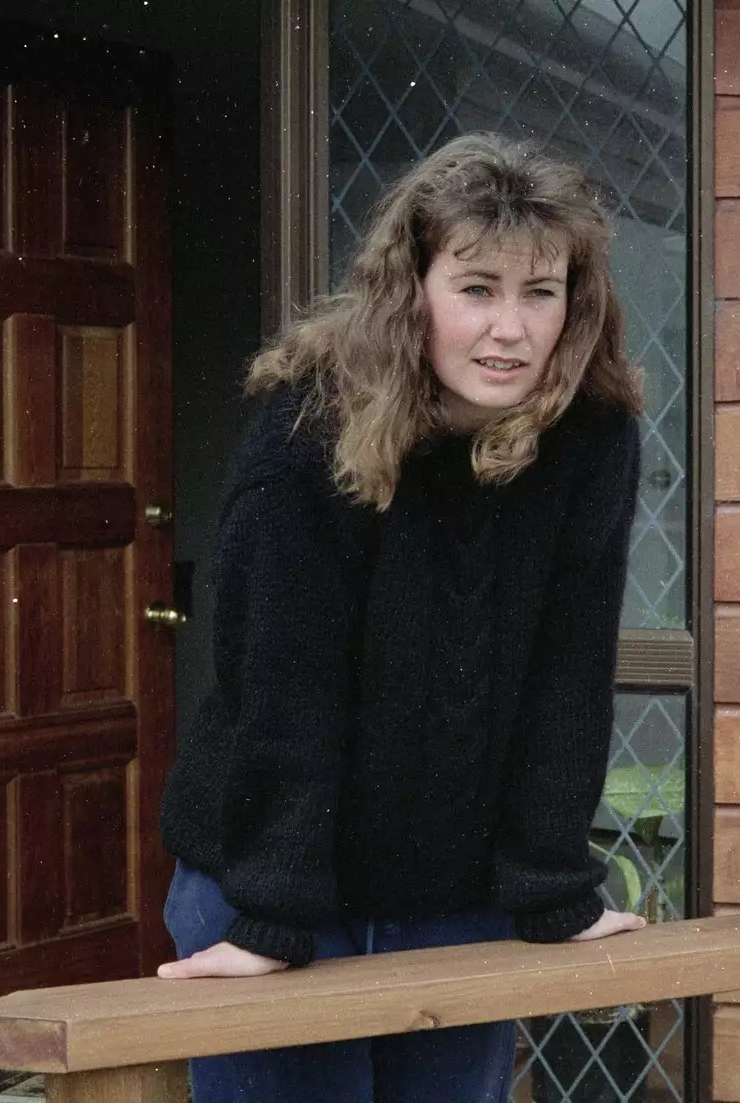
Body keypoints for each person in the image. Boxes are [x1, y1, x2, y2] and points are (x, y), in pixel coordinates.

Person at [157, 133, 646, 1103]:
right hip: (268, 873)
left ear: (573, 303)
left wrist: (552, 887)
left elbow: (567, 674)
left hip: (448, 893)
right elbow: (282, 688)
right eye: (475, 288)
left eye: (538, 292)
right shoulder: (310, 422)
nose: (509, 327)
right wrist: (268, 917)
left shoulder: (590, 438)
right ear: (410, 286)